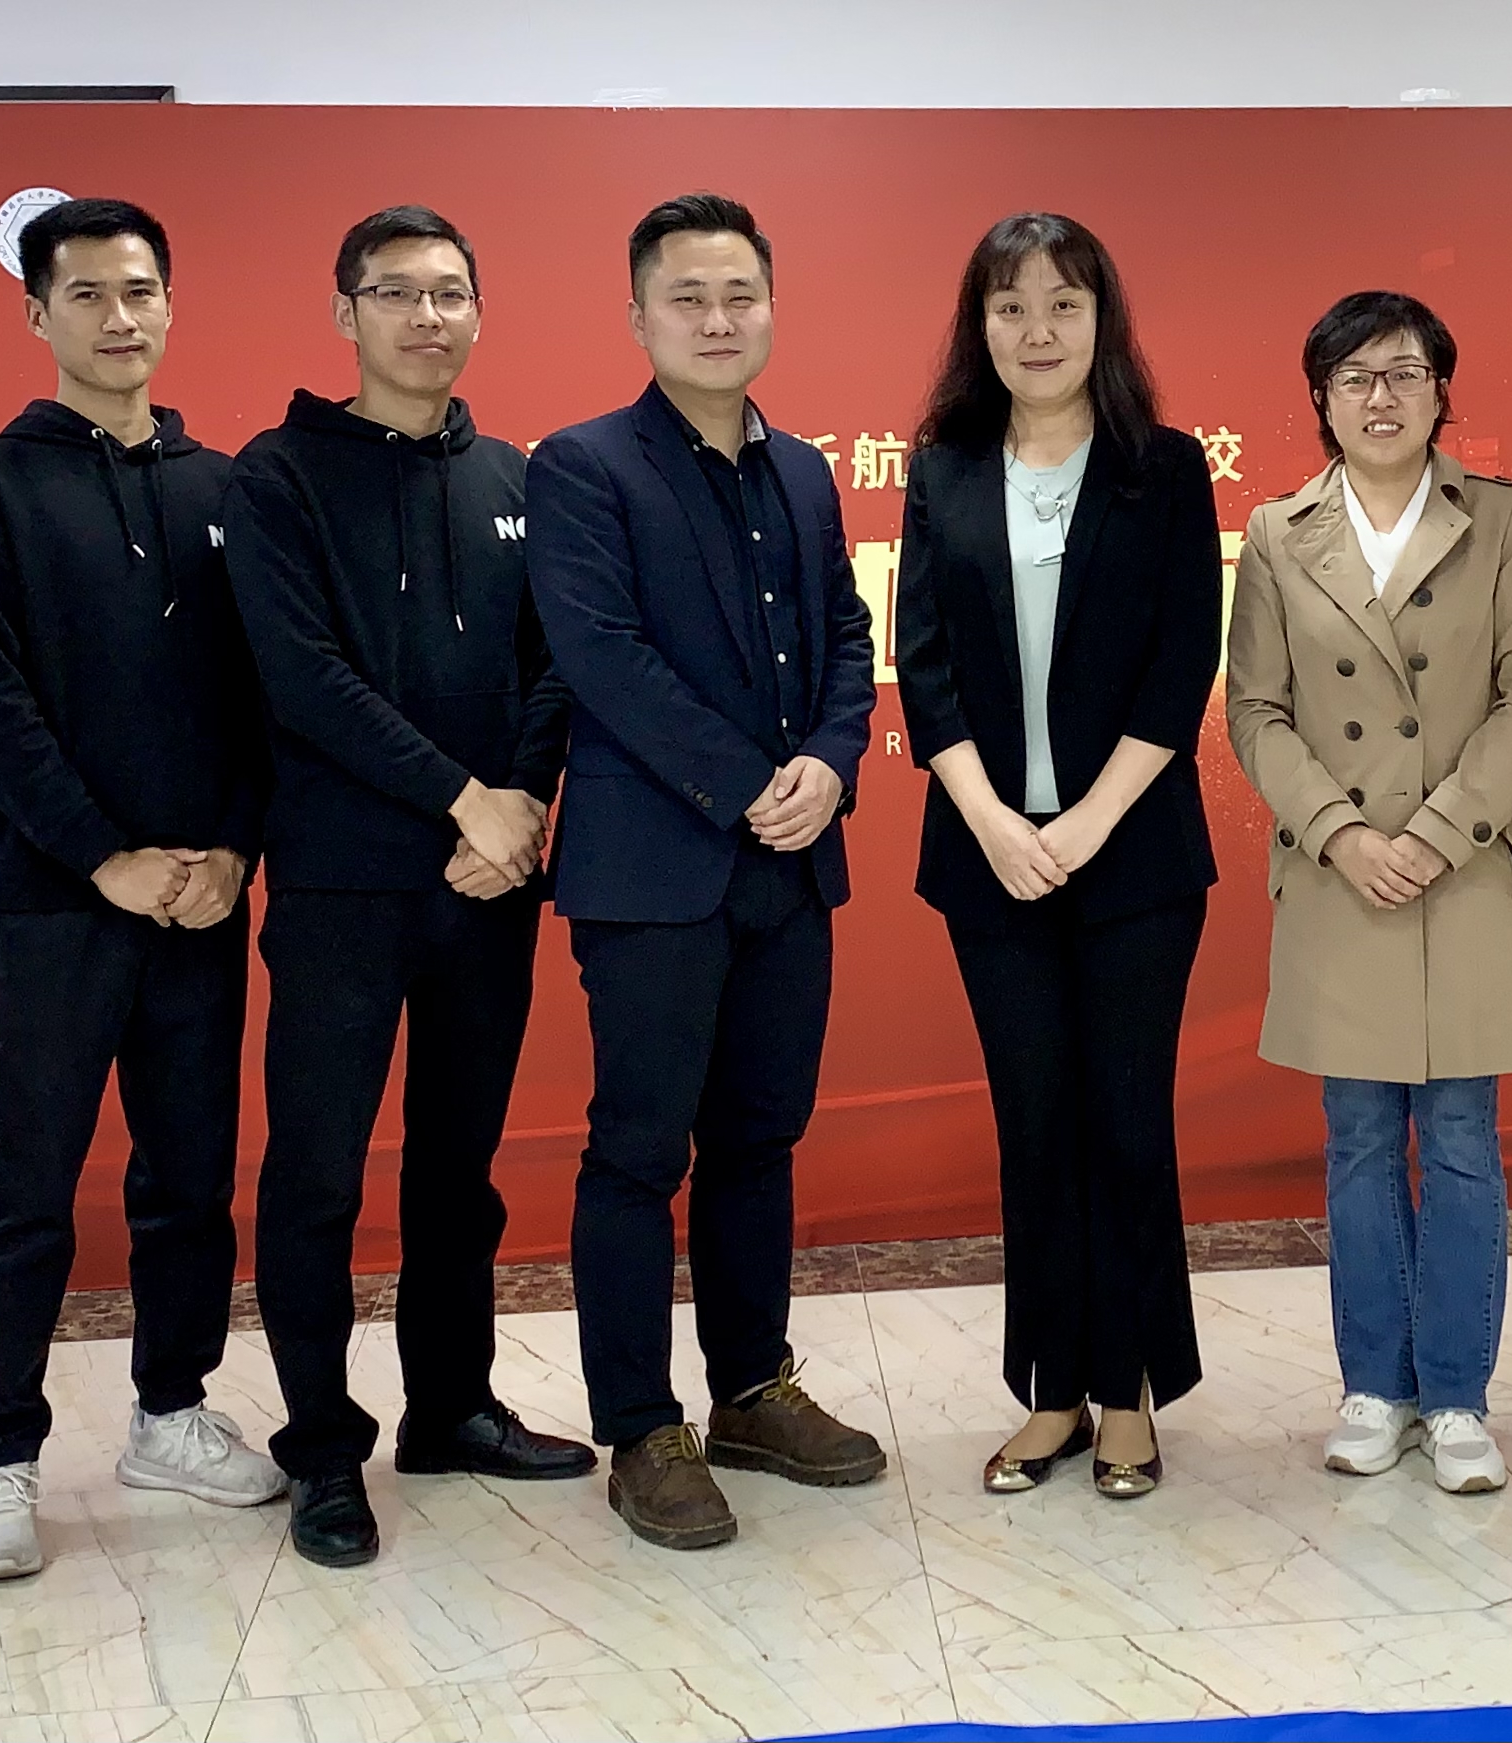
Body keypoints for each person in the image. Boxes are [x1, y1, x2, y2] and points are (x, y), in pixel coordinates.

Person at [225, 204, 595, 1569]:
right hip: (342, 887)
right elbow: (304, 678)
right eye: (395, 292)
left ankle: (450, 1405)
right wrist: (462, 796)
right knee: (318, 1174)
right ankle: (323, 1446)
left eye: (448, 292)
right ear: (345, 314)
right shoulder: (275, 479)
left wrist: (521, 804)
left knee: (458, 1169)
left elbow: (557, 663)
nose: (425, 316)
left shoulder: (516, 476)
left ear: (478, 312)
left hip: (485, 888)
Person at [0, 198, 284, 1582]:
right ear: (38, 315)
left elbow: (265, 698)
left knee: (187, 1178)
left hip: (200, 899)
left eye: (139, 289)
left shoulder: (225, 489)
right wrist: (101, 855)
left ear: (170, 305)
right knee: (28, 1185)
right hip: (58, 901)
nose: (118, 317)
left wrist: (232, 851)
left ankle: (170, 1413)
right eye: (85, 294)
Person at [525, 192, 887, 1551]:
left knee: (759, 1140)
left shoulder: (803, 471)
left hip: (790, 866)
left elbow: (847, 634)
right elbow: (602, 657)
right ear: (638, 316)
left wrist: (833, 763)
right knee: (638, 1150)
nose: (717, 318)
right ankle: (642, 1427)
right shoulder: (582, 466)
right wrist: (751, 784)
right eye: (687, 297)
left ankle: (750, 1389)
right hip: (652, 871)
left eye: (740, 294)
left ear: (771, 308)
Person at [891, 214, 1223, 1500]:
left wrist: (1088, 821)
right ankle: (1051, 1392)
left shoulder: (1165, 468)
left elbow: (1181, 659)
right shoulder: (944, 467)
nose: (1037, 331)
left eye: (1063, 305)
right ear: (978, 326)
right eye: (1011, 306)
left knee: (1125, 1123)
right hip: (990, 856)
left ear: (1104, 321)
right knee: (1033, 1126)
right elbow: (923, 661)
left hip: (1134, 858)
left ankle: (1130, 1390)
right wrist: (993, 819)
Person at [1226, 292, 1512, 1496]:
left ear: (1440, 392)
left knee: (1462, 1139)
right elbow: (1255, 711)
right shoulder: (1279, 534)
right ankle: (1375, 1386)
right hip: (1341, 882)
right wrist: (1340, 833)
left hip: (1461, 871)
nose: (1382, 397)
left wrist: (1433, 833)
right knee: (1360, 1140)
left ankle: (1459, 1397)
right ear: (1320, 399)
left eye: (1406, 372)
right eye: (1355, 376)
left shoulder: (1506, 522)